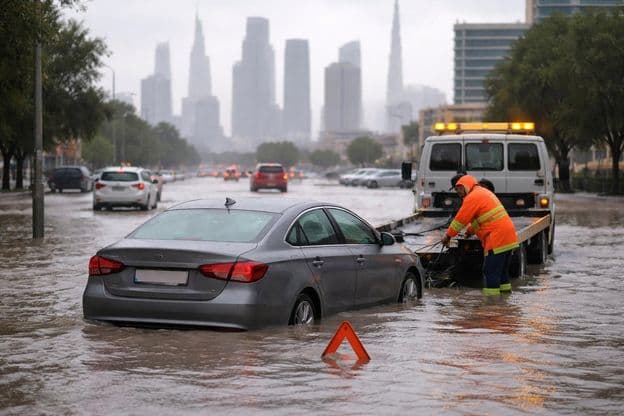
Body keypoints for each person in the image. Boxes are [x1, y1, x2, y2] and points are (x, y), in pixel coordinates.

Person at [441, 174, 519, 295]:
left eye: (459, 189)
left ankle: (490, 306)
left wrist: (447, 236)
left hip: (497, 238)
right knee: (502, 273)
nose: (458, 192)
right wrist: (469, 232)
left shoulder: (472, 197)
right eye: (456, 190)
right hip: (508, 237)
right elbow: (482, 219)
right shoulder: (482, 192)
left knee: (490, 272)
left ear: (466, 186)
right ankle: (505, 303)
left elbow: (459, 220)